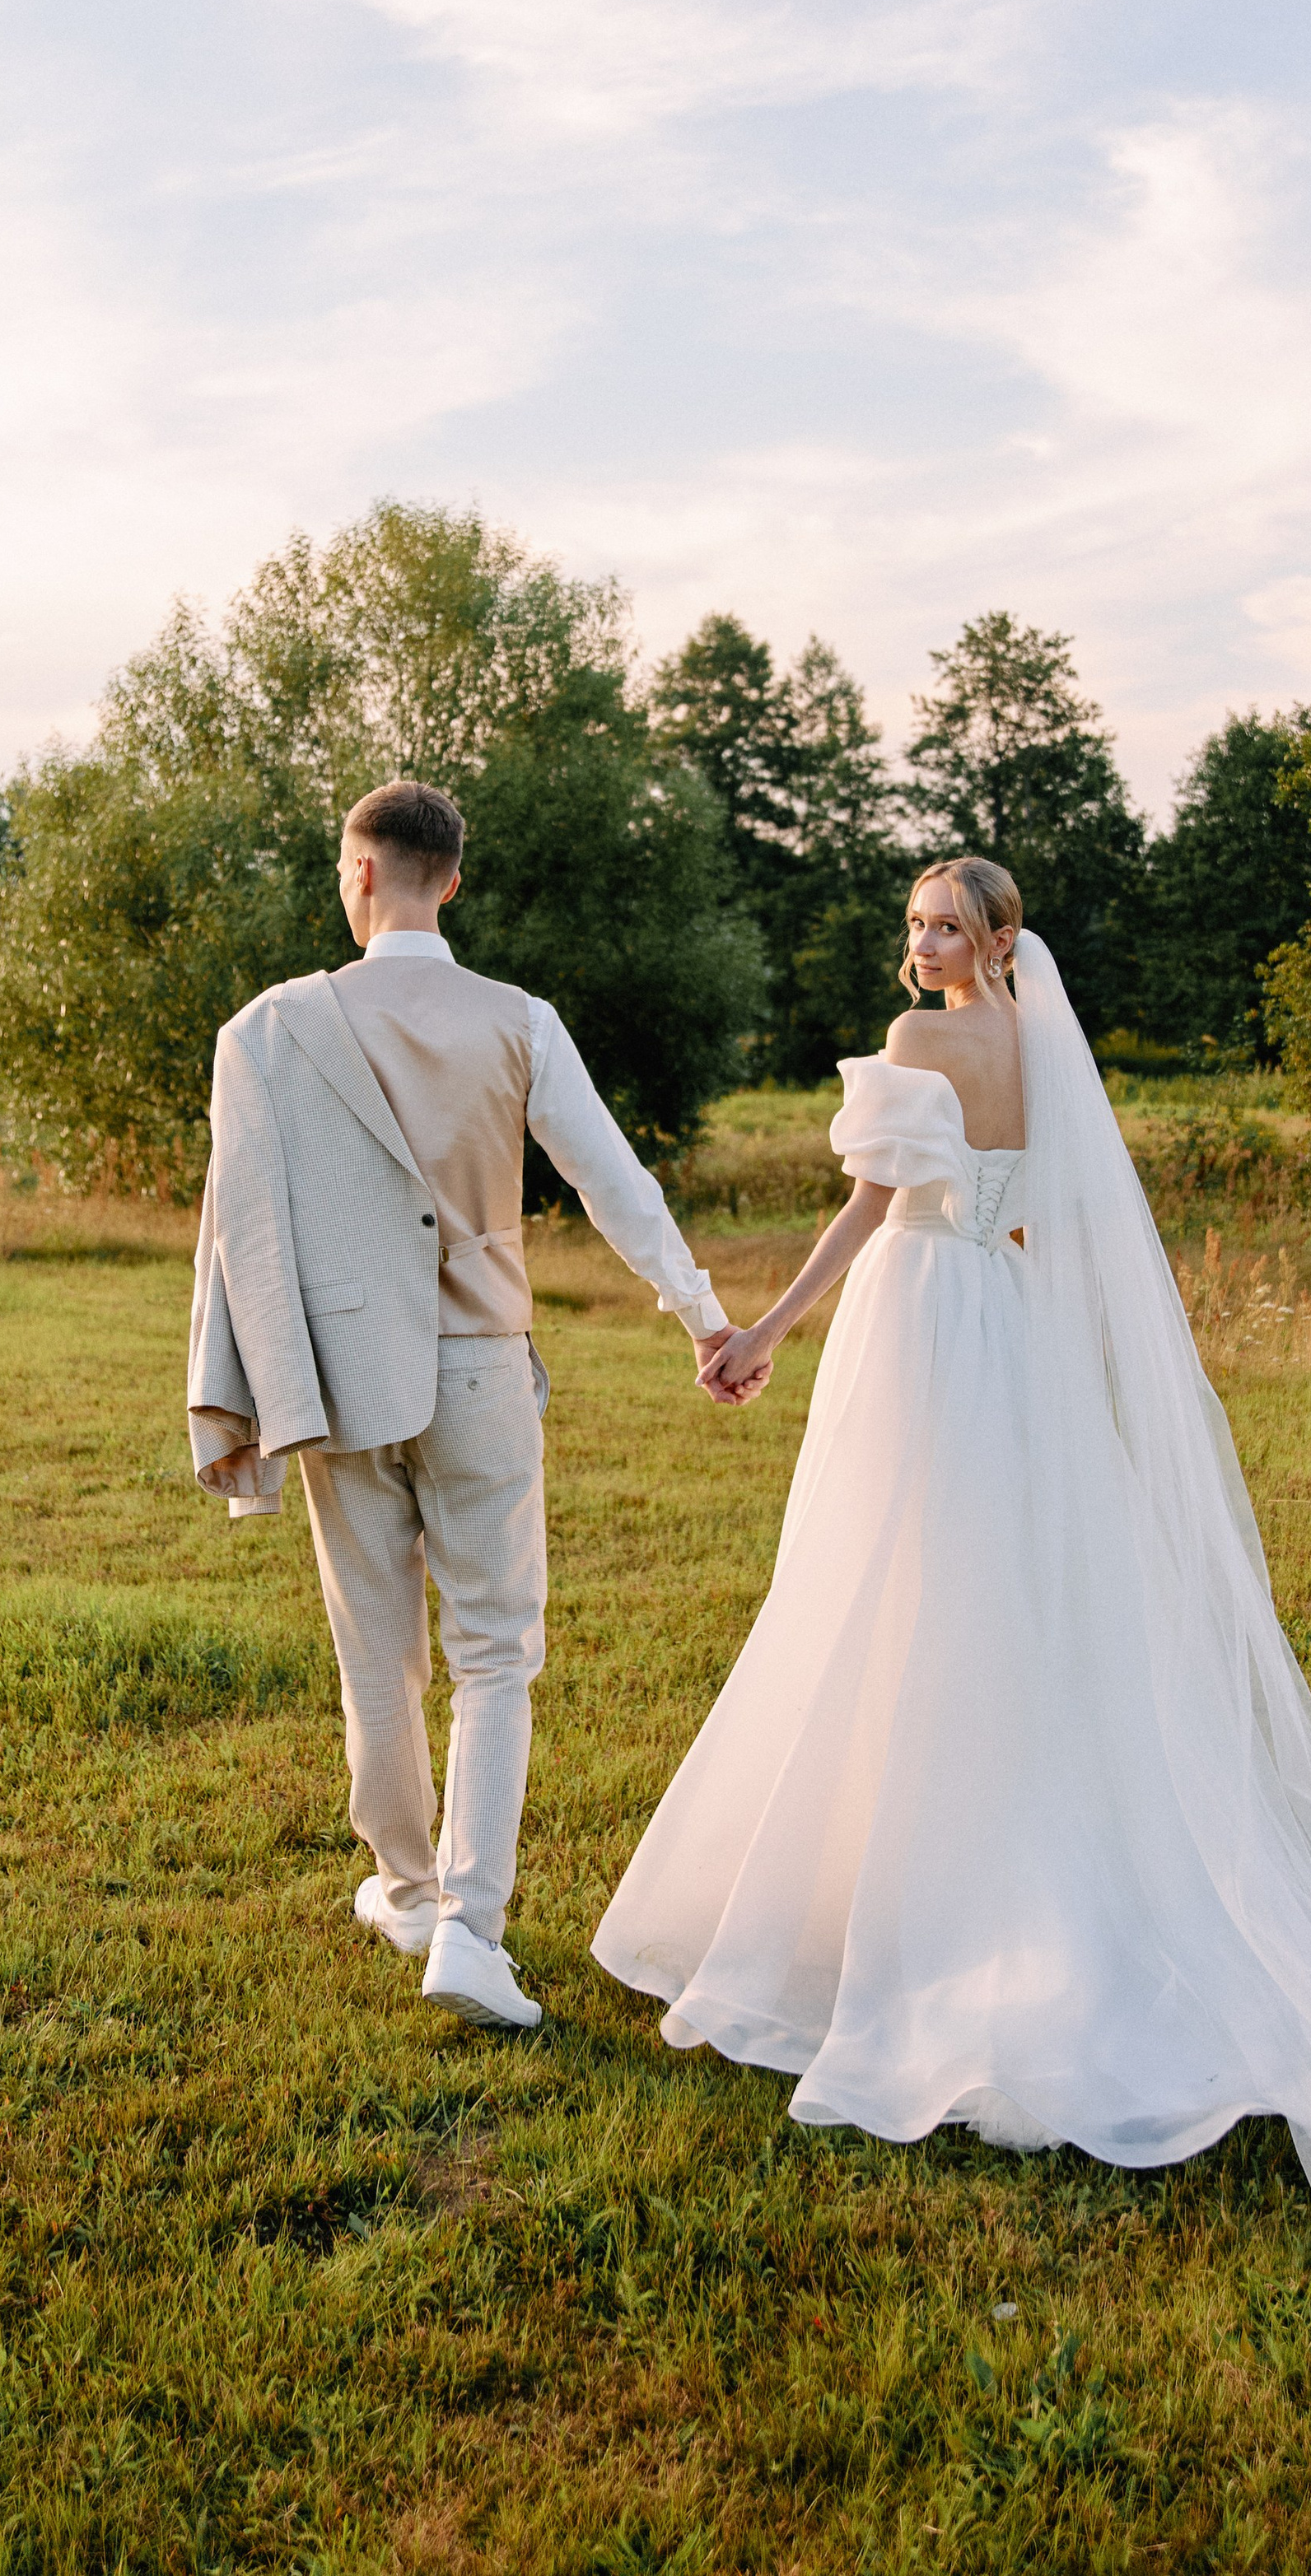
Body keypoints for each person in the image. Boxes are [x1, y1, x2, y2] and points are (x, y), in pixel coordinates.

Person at [591, 859, 1311, 2200]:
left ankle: (918, 1907)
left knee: (892, 1587)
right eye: (915, 923)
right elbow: (1045, 1209)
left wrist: (765, 1332)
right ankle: (1002, 1872)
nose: (922, 945)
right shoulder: (1045, 1045)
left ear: (994, 937)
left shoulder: (921, 1038)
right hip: (1011, 1318)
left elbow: (869, 1206)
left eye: (946, 926)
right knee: (1008, 1595)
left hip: (917, 1315)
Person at [189, 778, 749, 2035]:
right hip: (484, 1365)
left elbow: (241, 1230)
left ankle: (405, 1886)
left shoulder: (268, 1030)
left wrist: (237, 1401)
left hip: (340, 1385)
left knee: (374, 1647)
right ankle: (470, 1930)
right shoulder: (520, 1021)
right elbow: (613, 1180)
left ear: (360, 871)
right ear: (452, 879)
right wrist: (702, 1315)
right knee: (498, 1653)